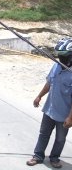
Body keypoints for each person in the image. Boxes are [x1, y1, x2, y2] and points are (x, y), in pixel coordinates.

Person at [27, 38, 72, 169]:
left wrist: (70, 117)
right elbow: (49, 83)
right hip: (49, 109)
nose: (60, 59)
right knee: (43, 134)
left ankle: (54, 158)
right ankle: (38, 156)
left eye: (63, 56)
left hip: (64, 114)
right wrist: (39, 96)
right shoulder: (56, 65)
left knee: (60, 139)